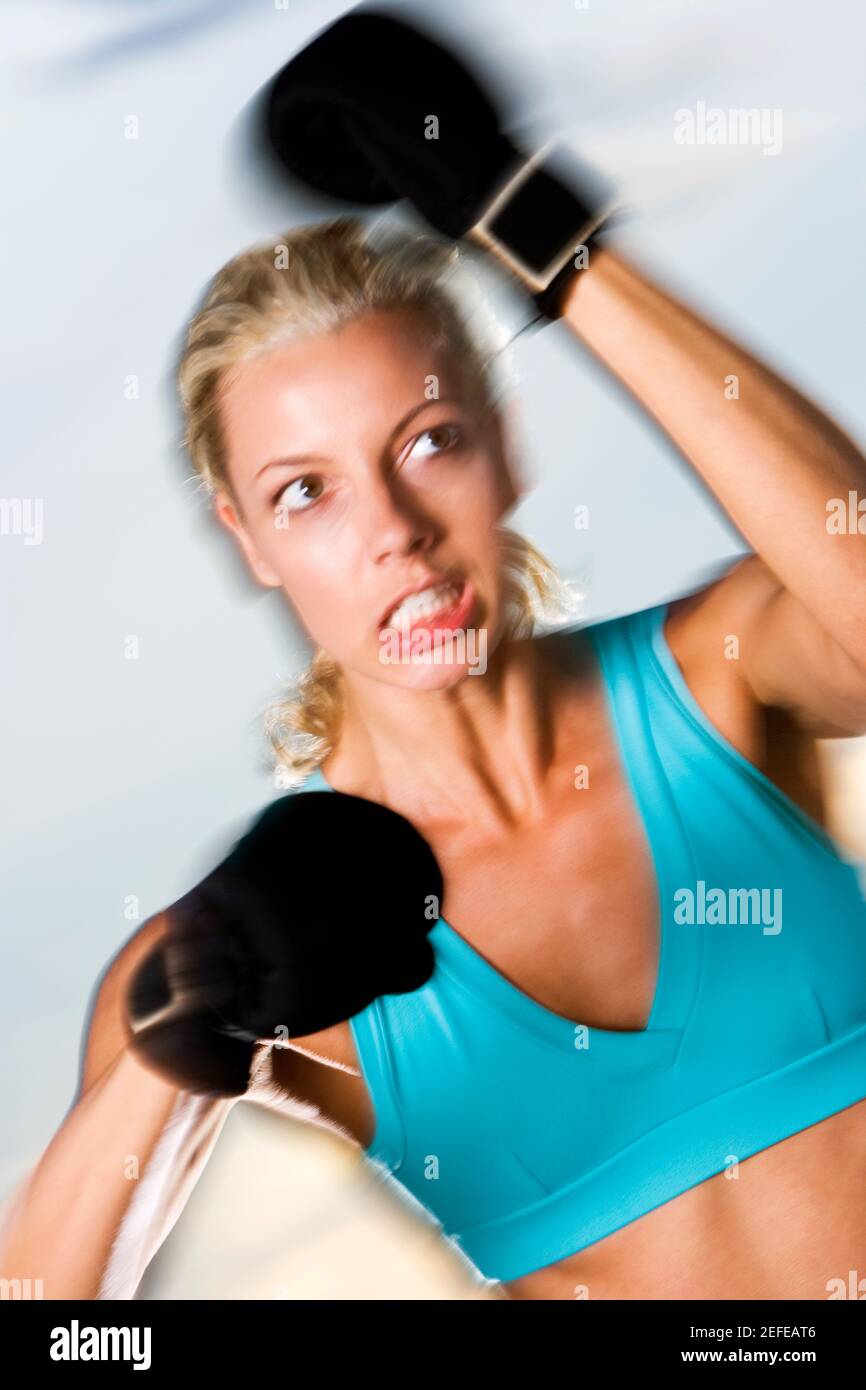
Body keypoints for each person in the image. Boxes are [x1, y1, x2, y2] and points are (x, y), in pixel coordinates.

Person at [3, 212, 865, 1301]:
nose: (395, 530)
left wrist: (553, 238)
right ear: (246, 538)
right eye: (304, 492)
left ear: (504, 446)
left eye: (427, 440)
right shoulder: (247, 938)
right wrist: (170, 1041)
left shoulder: (720, 673)